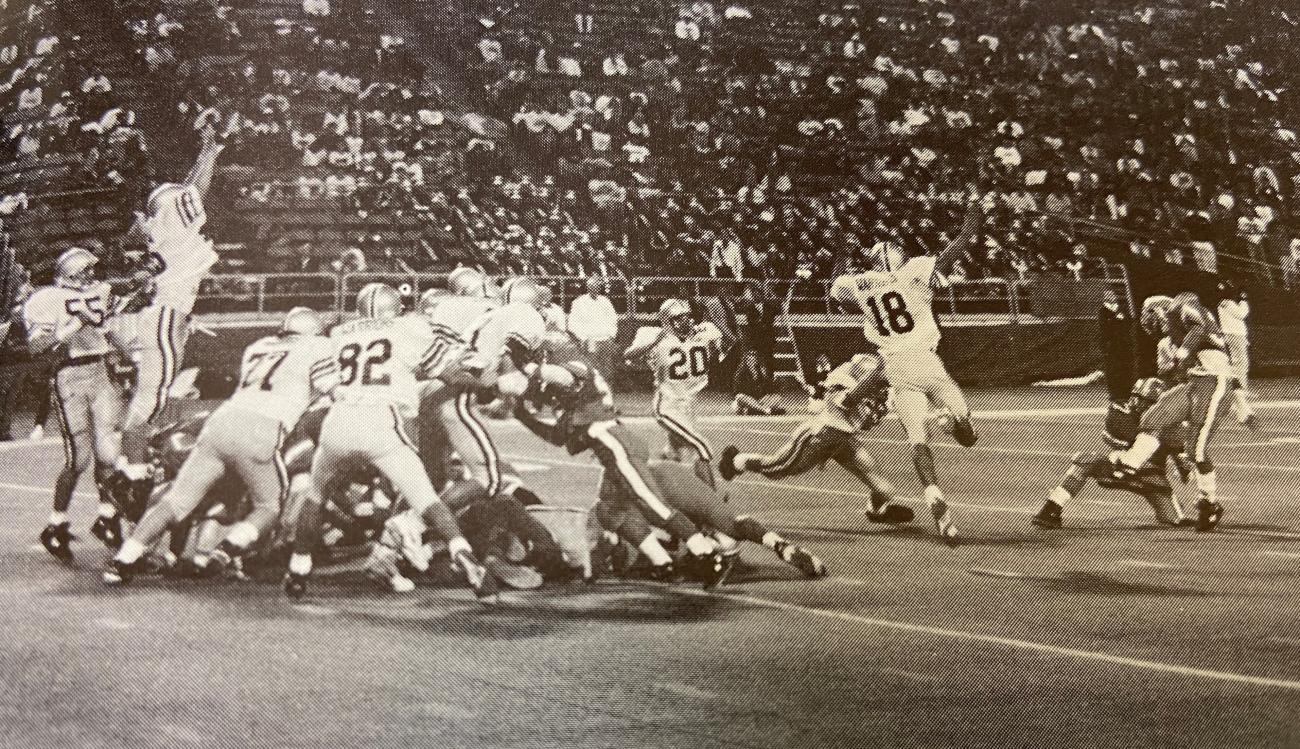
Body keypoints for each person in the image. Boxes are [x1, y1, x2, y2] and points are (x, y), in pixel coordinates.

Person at [102, 307, 337, 584]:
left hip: (220, 422)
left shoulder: (260, 346)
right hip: (261, 428)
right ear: (314, 333)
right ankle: (225, 551)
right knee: (270, 505)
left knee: (175, 502)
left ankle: (122, 562)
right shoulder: (319, 347)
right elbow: (332, 388)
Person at [293, 283, 497, 600]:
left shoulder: (340, 334)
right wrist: (482, 385)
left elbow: (327, 382)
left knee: (315, 496)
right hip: (381, 420)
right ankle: (463, 555)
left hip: (339, 419)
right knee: (426, 498)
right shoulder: (406, 328)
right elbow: (448, 373)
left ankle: (298, 568)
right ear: (396, 308)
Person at [828, 200, 983, 546]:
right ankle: (955, 420)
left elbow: (835, 290)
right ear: (896, 256)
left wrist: (840, 248)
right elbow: (959, 244)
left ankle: (933, 497)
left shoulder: (861, 283)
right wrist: (973, 218)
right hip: (926, 361)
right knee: (968, 435)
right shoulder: (915, 270)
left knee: (917, 440)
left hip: (895, 367)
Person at [117, 124, 225, 479]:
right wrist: (207, 152)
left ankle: (130, 466)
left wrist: (209, 151)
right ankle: (131, 474)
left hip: (165, 314)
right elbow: (192, 190)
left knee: (155, 398)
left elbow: (189, 190)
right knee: (151, 400)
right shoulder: (168, 221)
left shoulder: (164, 233)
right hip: (165, 316)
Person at [718, 352, 914, 526]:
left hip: (844, 439)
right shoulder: (856, 377)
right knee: (777, 469)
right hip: (821, 434)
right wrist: (875, 377)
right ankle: (736, 461)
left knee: (886, 490)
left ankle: (876, 510)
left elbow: (868, 420)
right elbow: (845, 401)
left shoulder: (888, 392)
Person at [23, 248, 128, 562]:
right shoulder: (46, 298)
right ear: (70, 272)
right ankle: (56, 525)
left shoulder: (100, 292)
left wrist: (128, 358)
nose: (90, 276)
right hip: (70, 375)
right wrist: (74, 326)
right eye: (85, 271)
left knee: (108, 451)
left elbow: (107, 331)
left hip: (100, 372)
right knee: (78, 459)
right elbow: (36, 347)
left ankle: (107, 516)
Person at [1110, 293, 1235, 532]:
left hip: (1215, 383)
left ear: (1158, 310)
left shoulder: (1181, 305)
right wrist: (1175, 363)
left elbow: (1199, 328)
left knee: (1195, 450)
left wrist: (1182, 354)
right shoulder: (1171, 335)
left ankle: (1209, 503)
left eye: (1150, 316)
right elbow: (1174, 368)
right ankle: (1130, 464)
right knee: (1154, 416)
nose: (1150, 323)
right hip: (1194, 383)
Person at [1033, 377, 1193, 529]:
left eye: (1149, 403)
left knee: (1173, 519)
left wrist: (1184, 465)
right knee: (1085, 460)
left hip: (1150, 474)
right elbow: (1114, 434)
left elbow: (1182, 462)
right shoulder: (1120, 410)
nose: (1140, 404)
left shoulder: (1170, 424)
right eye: (1139, 398)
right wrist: (1154, 437)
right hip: (1118, 467)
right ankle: (1052, 507)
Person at [624, 298, 724, 489]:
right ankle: (713, 501)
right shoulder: (653, 335)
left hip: (689, 405)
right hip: (668, 404)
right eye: (678, 318)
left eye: (686, 317)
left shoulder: (703, 332)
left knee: (674, 453)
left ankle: (645, 483)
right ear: (666, 321)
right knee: (700, 447)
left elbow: (720, 346)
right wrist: (653, 343)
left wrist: (712, 345)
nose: (684, 322)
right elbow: (628, 355)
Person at [1217, 284, 1257, 429]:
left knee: (1239, 365)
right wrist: (1244, 300)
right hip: (1234, 335)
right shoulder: (1228, 303)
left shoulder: (1225, 303)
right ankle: (1240, 394)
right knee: (1240, 366)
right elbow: (1242, 314)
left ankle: (1240, 395)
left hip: (1234, 335)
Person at [567, 275, 619, 378]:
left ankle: (607, 392)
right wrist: (583, 338)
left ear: (599, 287)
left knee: (607, 370)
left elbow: (613, 320)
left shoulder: (605, 301)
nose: (594, 288)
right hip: (590, 340)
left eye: (597, 286)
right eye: (591, 286)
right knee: (592, 369)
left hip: (606, 340)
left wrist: (611, 336)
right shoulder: (579, 302)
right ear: (587, 287)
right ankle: (593, 393)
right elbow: (572, 323)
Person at [1098, 289, 1134, 404]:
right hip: (1111, 347)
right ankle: (1115, 393)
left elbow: (1127, 323)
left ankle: (1126, 391)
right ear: (1104, 297)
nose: (1112, 296)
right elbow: (1105, 328)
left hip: (1124, 346)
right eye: (1108, 295)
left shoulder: (1122, 309)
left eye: (1112, 294)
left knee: (1125, 368)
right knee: (1113, 370)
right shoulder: (1103, 311)